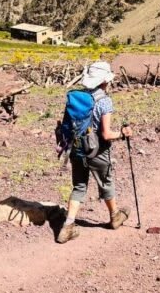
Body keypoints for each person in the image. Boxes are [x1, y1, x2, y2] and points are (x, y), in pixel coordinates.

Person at [56, 61, 132, 244]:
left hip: (76, 150)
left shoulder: (76, 97)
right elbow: (106, 134)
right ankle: (115, 217)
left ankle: (67, 227)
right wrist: (123, 134)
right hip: (97, 151)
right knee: (106, 182)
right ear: (104, 81)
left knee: (79, 186)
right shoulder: (104, 101)